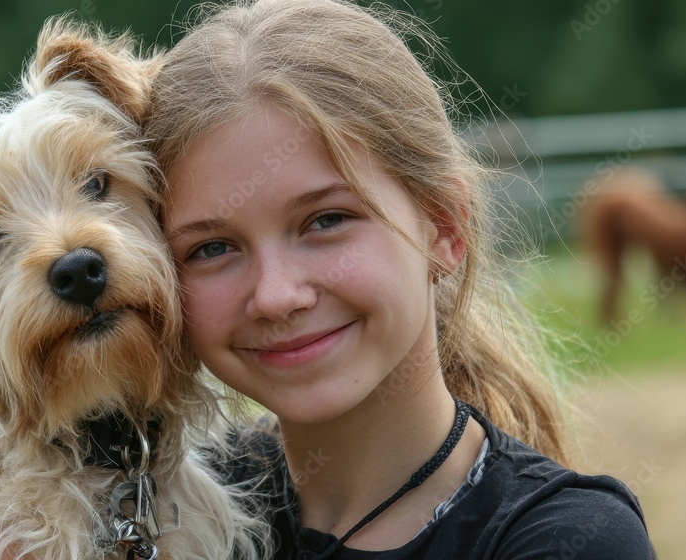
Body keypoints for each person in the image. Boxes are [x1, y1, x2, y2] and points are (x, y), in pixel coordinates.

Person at [142, 0, 656, 558]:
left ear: (444, 227)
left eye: (327, 220)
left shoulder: (563, 539)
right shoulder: (164, 512)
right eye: (212, 248)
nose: (275, 296)